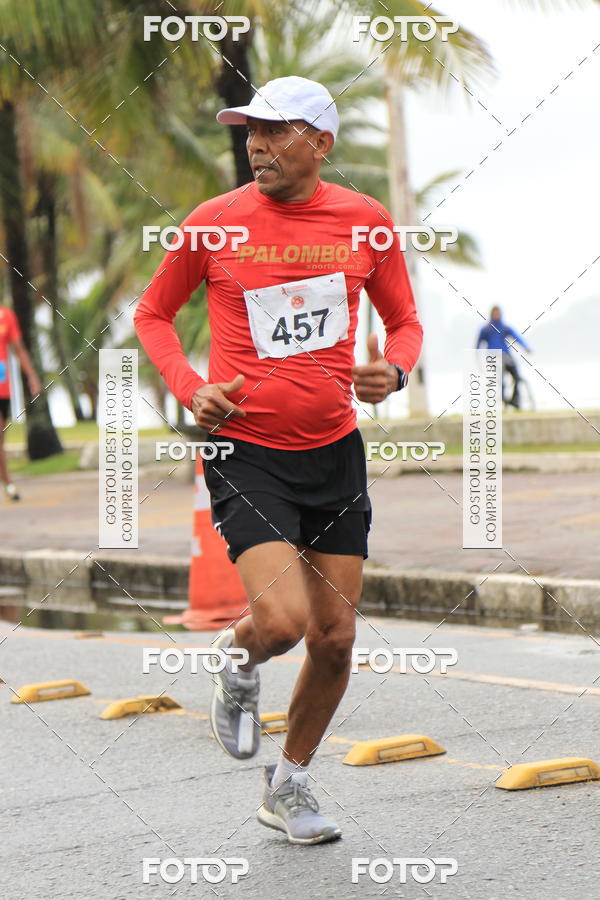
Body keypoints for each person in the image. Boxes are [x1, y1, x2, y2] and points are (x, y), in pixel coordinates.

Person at [135, 75, 423, 845]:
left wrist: (393, 373)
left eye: (277, 130)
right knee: (286, 623)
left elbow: (405, 324)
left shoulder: (366, 223)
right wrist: (191, 387)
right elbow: (152, 313)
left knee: (334, 639)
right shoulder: (214, 223)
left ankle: (288, 784)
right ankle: (237, 660)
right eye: (250, 130)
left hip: (334, 451)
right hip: (246, 451)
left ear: (321, 143)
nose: (256, 144)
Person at [0, 304, 41, 501]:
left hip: (3, 388)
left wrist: (32, 376)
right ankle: (8, 482)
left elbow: (19, 349)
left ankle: (7, 482)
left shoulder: (6, 316)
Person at [477, 305, 532, 408]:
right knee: (500, 379)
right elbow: (478, 346)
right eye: (495, 313)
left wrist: (526, 347)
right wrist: (478, 362)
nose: (497, 315)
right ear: (491, 314)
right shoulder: (486, 329)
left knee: (516, 376)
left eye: (498, 313)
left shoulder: (504, 328)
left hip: (506, 356)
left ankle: (515, 400)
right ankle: (503, 400)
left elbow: (516, 337)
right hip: (493, 358)